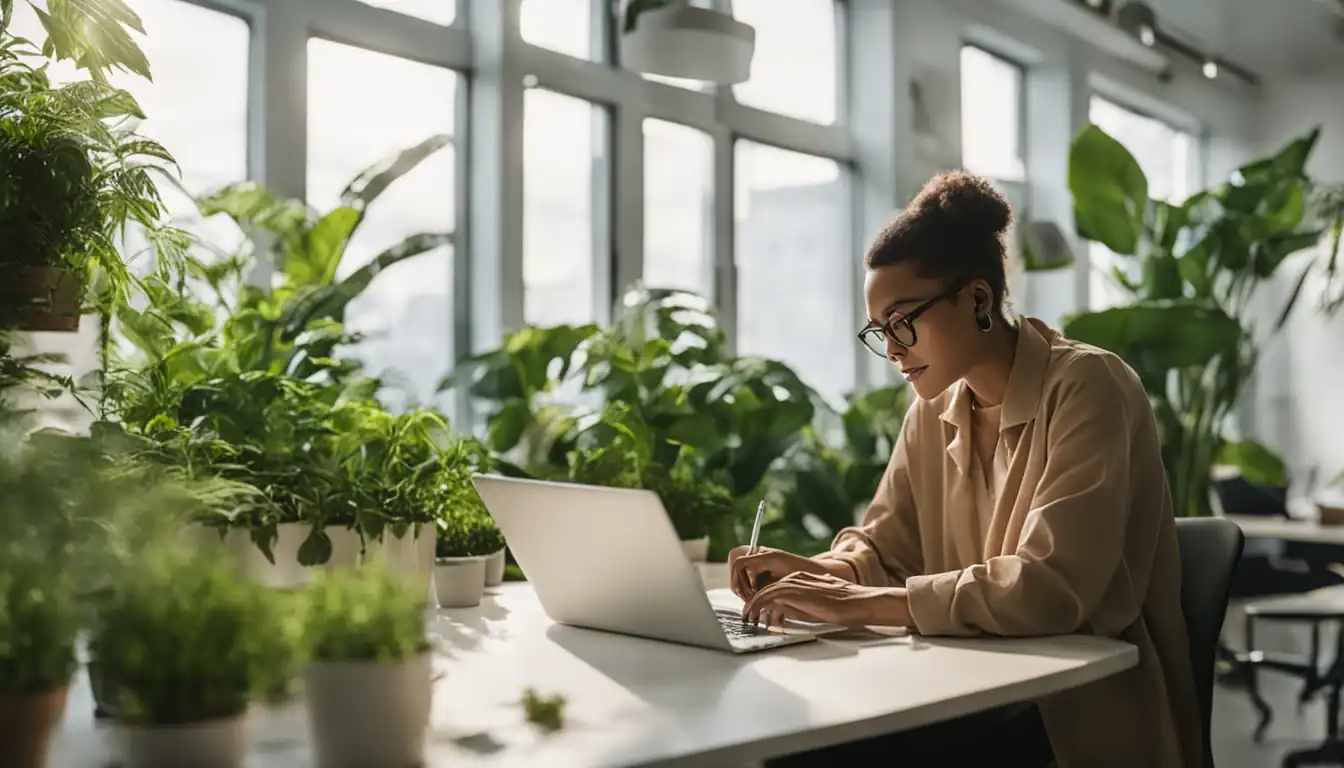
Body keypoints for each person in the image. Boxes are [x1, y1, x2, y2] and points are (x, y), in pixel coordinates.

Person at [729, 172, 1202, 767]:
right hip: (966, 689)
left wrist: (854, 604)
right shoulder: (932, 408)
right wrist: (814, 573)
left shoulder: (1088, 386)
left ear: (977, 299)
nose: (894, 349)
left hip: (1072, 709)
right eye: (880, 331)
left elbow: (1049, 589)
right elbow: (885, 551)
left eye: (903, 321)